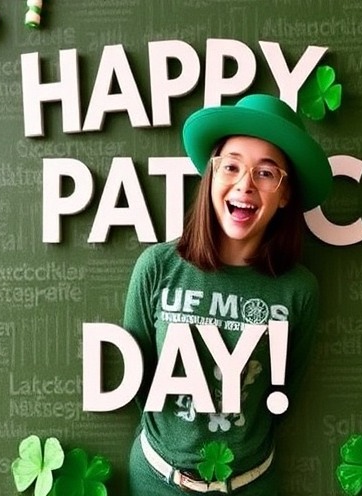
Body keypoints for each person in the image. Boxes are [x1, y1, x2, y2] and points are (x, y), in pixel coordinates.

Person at [123, 93, 331, 495]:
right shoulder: (157, 267)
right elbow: (136, 379)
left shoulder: (298, 290)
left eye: (267, 173)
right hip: (155, 480)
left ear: (285, 195)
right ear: (211, 177)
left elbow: (281, 395)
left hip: (252, 484)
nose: (245, 184)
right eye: (231, 166)